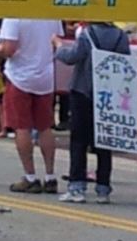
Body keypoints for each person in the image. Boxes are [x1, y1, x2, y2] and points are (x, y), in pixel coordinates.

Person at [53, 21, 131, 204]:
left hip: (83, 90)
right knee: (105, 140)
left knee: (79, 140)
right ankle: (103, 188)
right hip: (109, 92)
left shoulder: (87, 34)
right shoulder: (120, 36)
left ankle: (76, 187)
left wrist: (58, 45)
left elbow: (72, 56)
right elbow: (126, 60)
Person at [0, 18, 64, 194]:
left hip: (20, 76)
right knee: (45, 126)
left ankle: (30, 177)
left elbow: (9, 49)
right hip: (45, 76)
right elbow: (56, 41)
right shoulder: (51, 13)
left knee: (22, 127)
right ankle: (50, 176)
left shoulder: (14, 16)